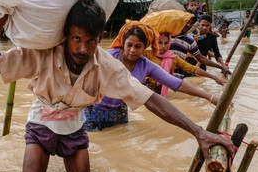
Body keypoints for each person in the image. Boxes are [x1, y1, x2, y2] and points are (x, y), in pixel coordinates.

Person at [0, 0, 234, 172]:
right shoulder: (41, 52)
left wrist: (198, 131)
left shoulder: (107, 66)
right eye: (76, 39)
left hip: (75, 128)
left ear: (100, 38)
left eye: (90, 41)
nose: (82, 48)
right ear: (66, 35)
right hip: (41, 124)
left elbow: (150, 99)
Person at [83, 22, 223, 132]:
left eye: (138, 47)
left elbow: (175, 83)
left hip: (119, 111)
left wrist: (209, 97)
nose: (132, 50)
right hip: (95, 109)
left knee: (121, 139)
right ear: (123, 43)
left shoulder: (146, 65)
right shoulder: (108, 56)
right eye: (129, 45)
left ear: (145, 48)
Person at [144, 32, 226, 98]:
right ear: (155, 43)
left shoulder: (174, 58)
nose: (163, 46)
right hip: (147, 90)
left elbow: (193, 69)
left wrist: (214, 77)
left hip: (164, 92)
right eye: (160, 43)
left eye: (166, 43)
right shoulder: (148, 54)